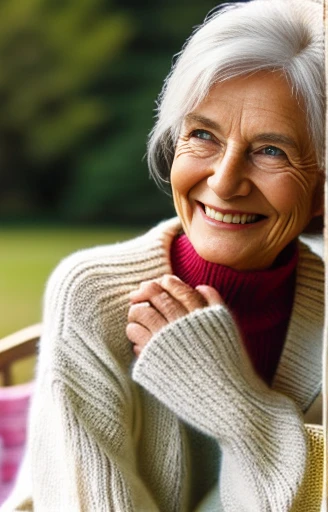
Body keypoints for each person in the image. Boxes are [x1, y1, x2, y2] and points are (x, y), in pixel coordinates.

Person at [2, 0, 325, 510]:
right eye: (202, 135)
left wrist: (233, 403)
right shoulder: (91, 293)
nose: (223, 182)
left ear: (321, 190)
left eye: (271, 151)